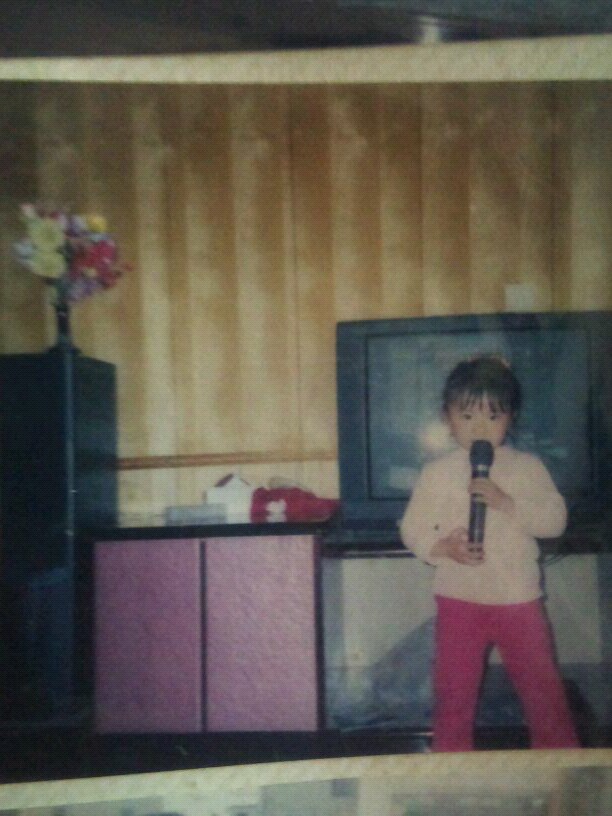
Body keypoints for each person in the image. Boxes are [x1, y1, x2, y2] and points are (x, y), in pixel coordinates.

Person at [400, 355, 580, 752]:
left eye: (493, 416)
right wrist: (443, 547)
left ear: (510, 418)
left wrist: (507, 503)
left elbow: (554, 520)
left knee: (543, 693)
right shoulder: (436, 473)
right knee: (453, 693)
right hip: (459, 600)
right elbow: (412, 528)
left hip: (518, 601)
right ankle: (452, 769)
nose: (479, 427)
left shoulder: (527, 468)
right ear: (447, 418)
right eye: (467, 416)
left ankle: (563, 767)